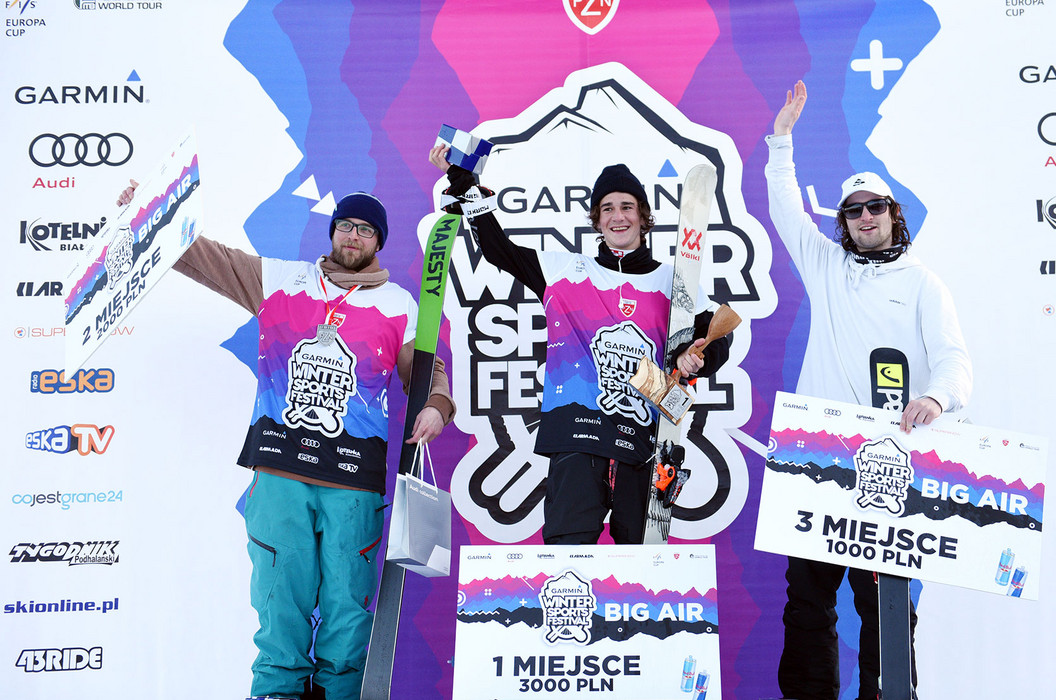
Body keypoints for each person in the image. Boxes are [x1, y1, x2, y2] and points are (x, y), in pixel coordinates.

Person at [116, 183, 455, 700]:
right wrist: (148, 217)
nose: (353, 235)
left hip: (352, 480)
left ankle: (341, 693)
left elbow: (427, 372)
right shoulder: (280, 280)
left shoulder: (399, 304)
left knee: (347, 602)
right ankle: (276, 692)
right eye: (346, 225)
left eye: (365, 229)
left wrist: (436, 404)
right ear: (333, 230)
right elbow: (206, 258)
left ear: (378, 241)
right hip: (278, 472)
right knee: (279, 599)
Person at [764, 81, 973, 700]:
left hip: (888, 463)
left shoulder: (922, 283)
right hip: (819, 458)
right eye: (853, 211)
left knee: (885, 606)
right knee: (807, 601)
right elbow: (783, 210)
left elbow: (956, 363)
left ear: (892, 214)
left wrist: (937, 400)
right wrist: (781, 141)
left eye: (874, 208)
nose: (863, 218)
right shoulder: (826, 265)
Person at [429, 146, 730, 544]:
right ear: (596, 220)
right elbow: (497, 248)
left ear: (642, 216)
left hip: (643, 443)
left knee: (641, 569)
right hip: (577, 436)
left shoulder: (674, 280)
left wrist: (697, 358)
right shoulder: (564, 270)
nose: (617, 216)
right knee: (566, 559)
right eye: (607, 208)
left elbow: (714, 338)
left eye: (626, 206)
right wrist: (463, 181)